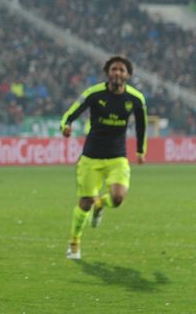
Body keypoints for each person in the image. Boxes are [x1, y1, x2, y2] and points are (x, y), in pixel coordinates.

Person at [60, 55, 147, 260]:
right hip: (91, 157)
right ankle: (74, 243)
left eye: (121, 70)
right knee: (84, 203)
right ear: (108, 73)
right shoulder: (94, 93)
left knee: (117, 198)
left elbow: (142, 125)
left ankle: (101, 205)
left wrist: (140, 151)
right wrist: (65, 125)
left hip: (117, 156)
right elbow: (72, 111)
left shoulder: (135, 99)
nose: (117, 73)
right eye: (114, 69)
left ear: (128, 75)